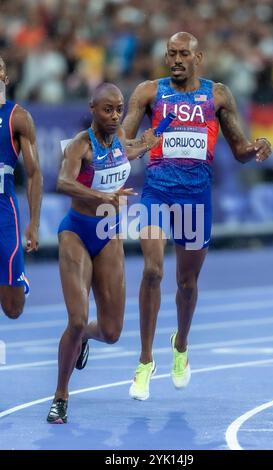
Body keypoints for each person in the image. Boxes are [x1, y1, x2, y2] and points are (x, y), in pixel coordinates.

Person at [122, 32, 272, 400]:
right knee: (153, 270)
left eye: (183, 54)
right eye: (170, 53)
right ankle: (144, 361)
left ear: (198, 57)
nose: (175, 59)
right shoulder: (148, 92)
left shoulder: (217, 94)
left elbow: (239, 149)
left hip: (196, 199)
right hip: (157, 192)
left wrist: (256, 148)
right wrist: (143, 143)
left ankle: (181, 345)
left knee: (186, 284)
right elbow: (122, 146)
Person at [47, 82, 160, 423]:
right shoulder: (81, 145)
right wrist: (104, 197)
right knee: (77, 318)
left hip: (108, 234)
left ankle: (84, 338)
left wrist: (148, 144)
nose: (114, 115)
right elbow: (63, 183)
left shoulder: (119, 140)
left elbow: (130, 150)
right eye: (107, 109)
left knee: (110, 332)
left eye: (119, 109)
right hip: (77, 233)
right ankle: (61, 396)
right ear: (93, 108)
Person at [0, 56, 43, 319]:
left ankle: (16, 281)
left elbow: (34, 173)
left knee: (13, 309)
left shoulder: (18, 118)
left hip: (3, 211)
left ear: (5, 78)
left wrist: (34, 224)